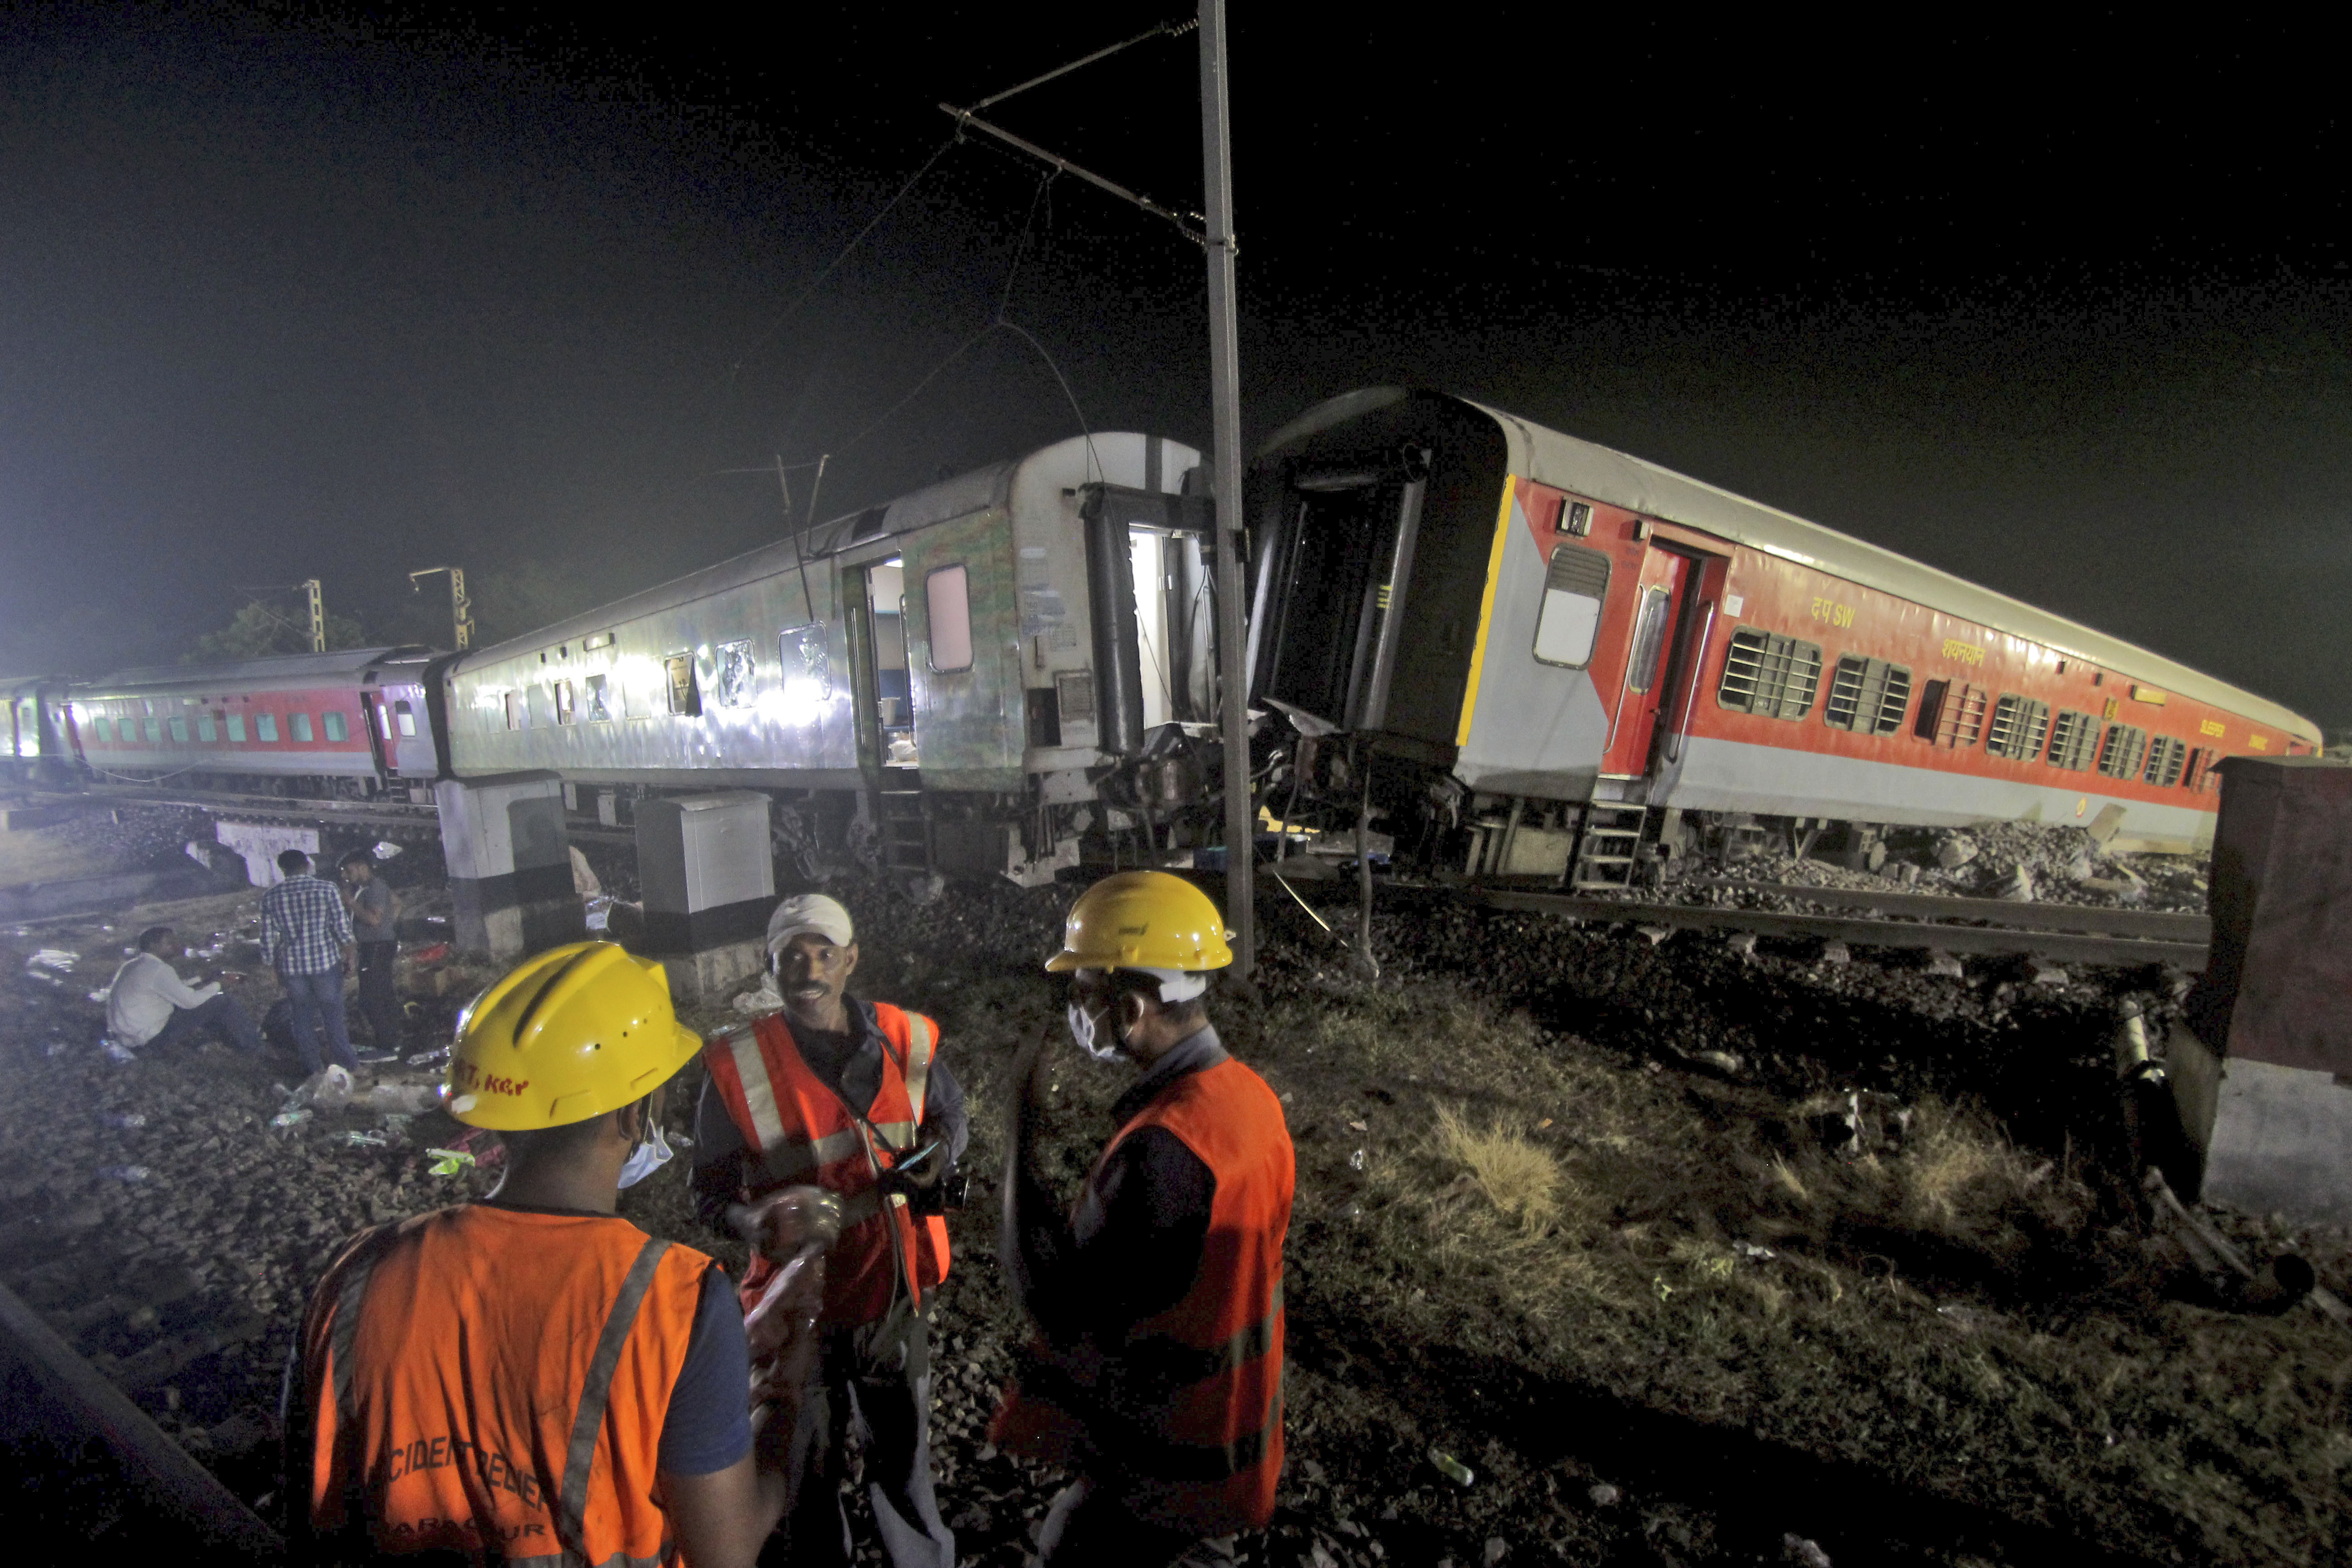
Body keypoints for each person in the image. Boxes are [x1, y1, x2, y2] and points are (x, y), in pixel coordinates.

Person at [287, 941, 813, 1567]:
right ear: (637, 1112)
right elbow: (727, 1548)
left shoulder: (355, 1273)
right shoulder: (678, 1300)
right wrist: (783, 1399)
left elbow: (312, 1499)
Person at [992, 872, 1295, 1568]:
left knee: (1070, 1547)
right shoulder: (1249, 1100)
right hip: (1231, 1430)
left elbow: (1057, 1305)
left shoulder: (1165, 1150)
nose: (1077, 1010)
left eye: (1084, 994)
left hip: (1166, 1459)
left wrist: (1020, 1130)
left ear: (1130, 1007)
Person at [692, 893, 964, 1568]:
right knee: (803, 1477)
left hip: (891, 1292)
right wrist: (752, 1220)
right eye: (792, 955)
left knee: (903, 1463)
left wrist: (936, 1164)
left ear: (850, 960)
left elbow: (949, 1121)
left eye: (822, 953)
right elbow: (710, 1190)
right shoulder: (735, 1067)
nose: (808, 968)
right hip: (796, 1306)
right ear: (771, 967)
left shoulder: (907, 1040)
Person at [261, 848, 360, 1077]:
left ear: (283, 870)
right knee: (333, 1015)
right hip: (325, 964)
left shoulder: (272, 896)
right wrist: (350, 957)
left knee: (302, 1017)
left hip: (293, 968)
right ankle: (349, 1065)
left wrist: (271, 968)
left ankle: (314, 1069)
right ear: (307, 865)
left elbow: (268, 938)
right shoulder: (326, 889)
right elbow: (342, 928)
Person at [104, 924, 263, 1054]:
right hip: (148, 1038)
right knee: (223, 1002)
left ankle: (226, 1037)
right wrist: (220, 984)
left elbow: (171, 989)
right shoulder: (159, 969)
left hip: (126, 1038)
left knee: (207, 1003)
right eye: (170, 943)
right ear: (153, 946)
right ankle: (255, 1047)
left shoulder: (132, 966)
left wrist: (203, 979)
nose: (177, 946)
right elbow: (190, 1002)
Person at [337, 850, 402, 1062]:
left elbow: (374, 920)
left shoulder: (374, 888)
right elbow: (397, 902)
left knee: (371, 998)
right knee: (383, 992)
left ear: (362, 867)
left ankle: (388, 1045)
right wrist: (388, 927)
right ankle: (393, 1039)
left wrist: (351, 904)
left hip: (376, 948)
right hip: (377, 945)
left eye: (349, 870)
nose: (346, 875)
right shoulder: (369, 888)